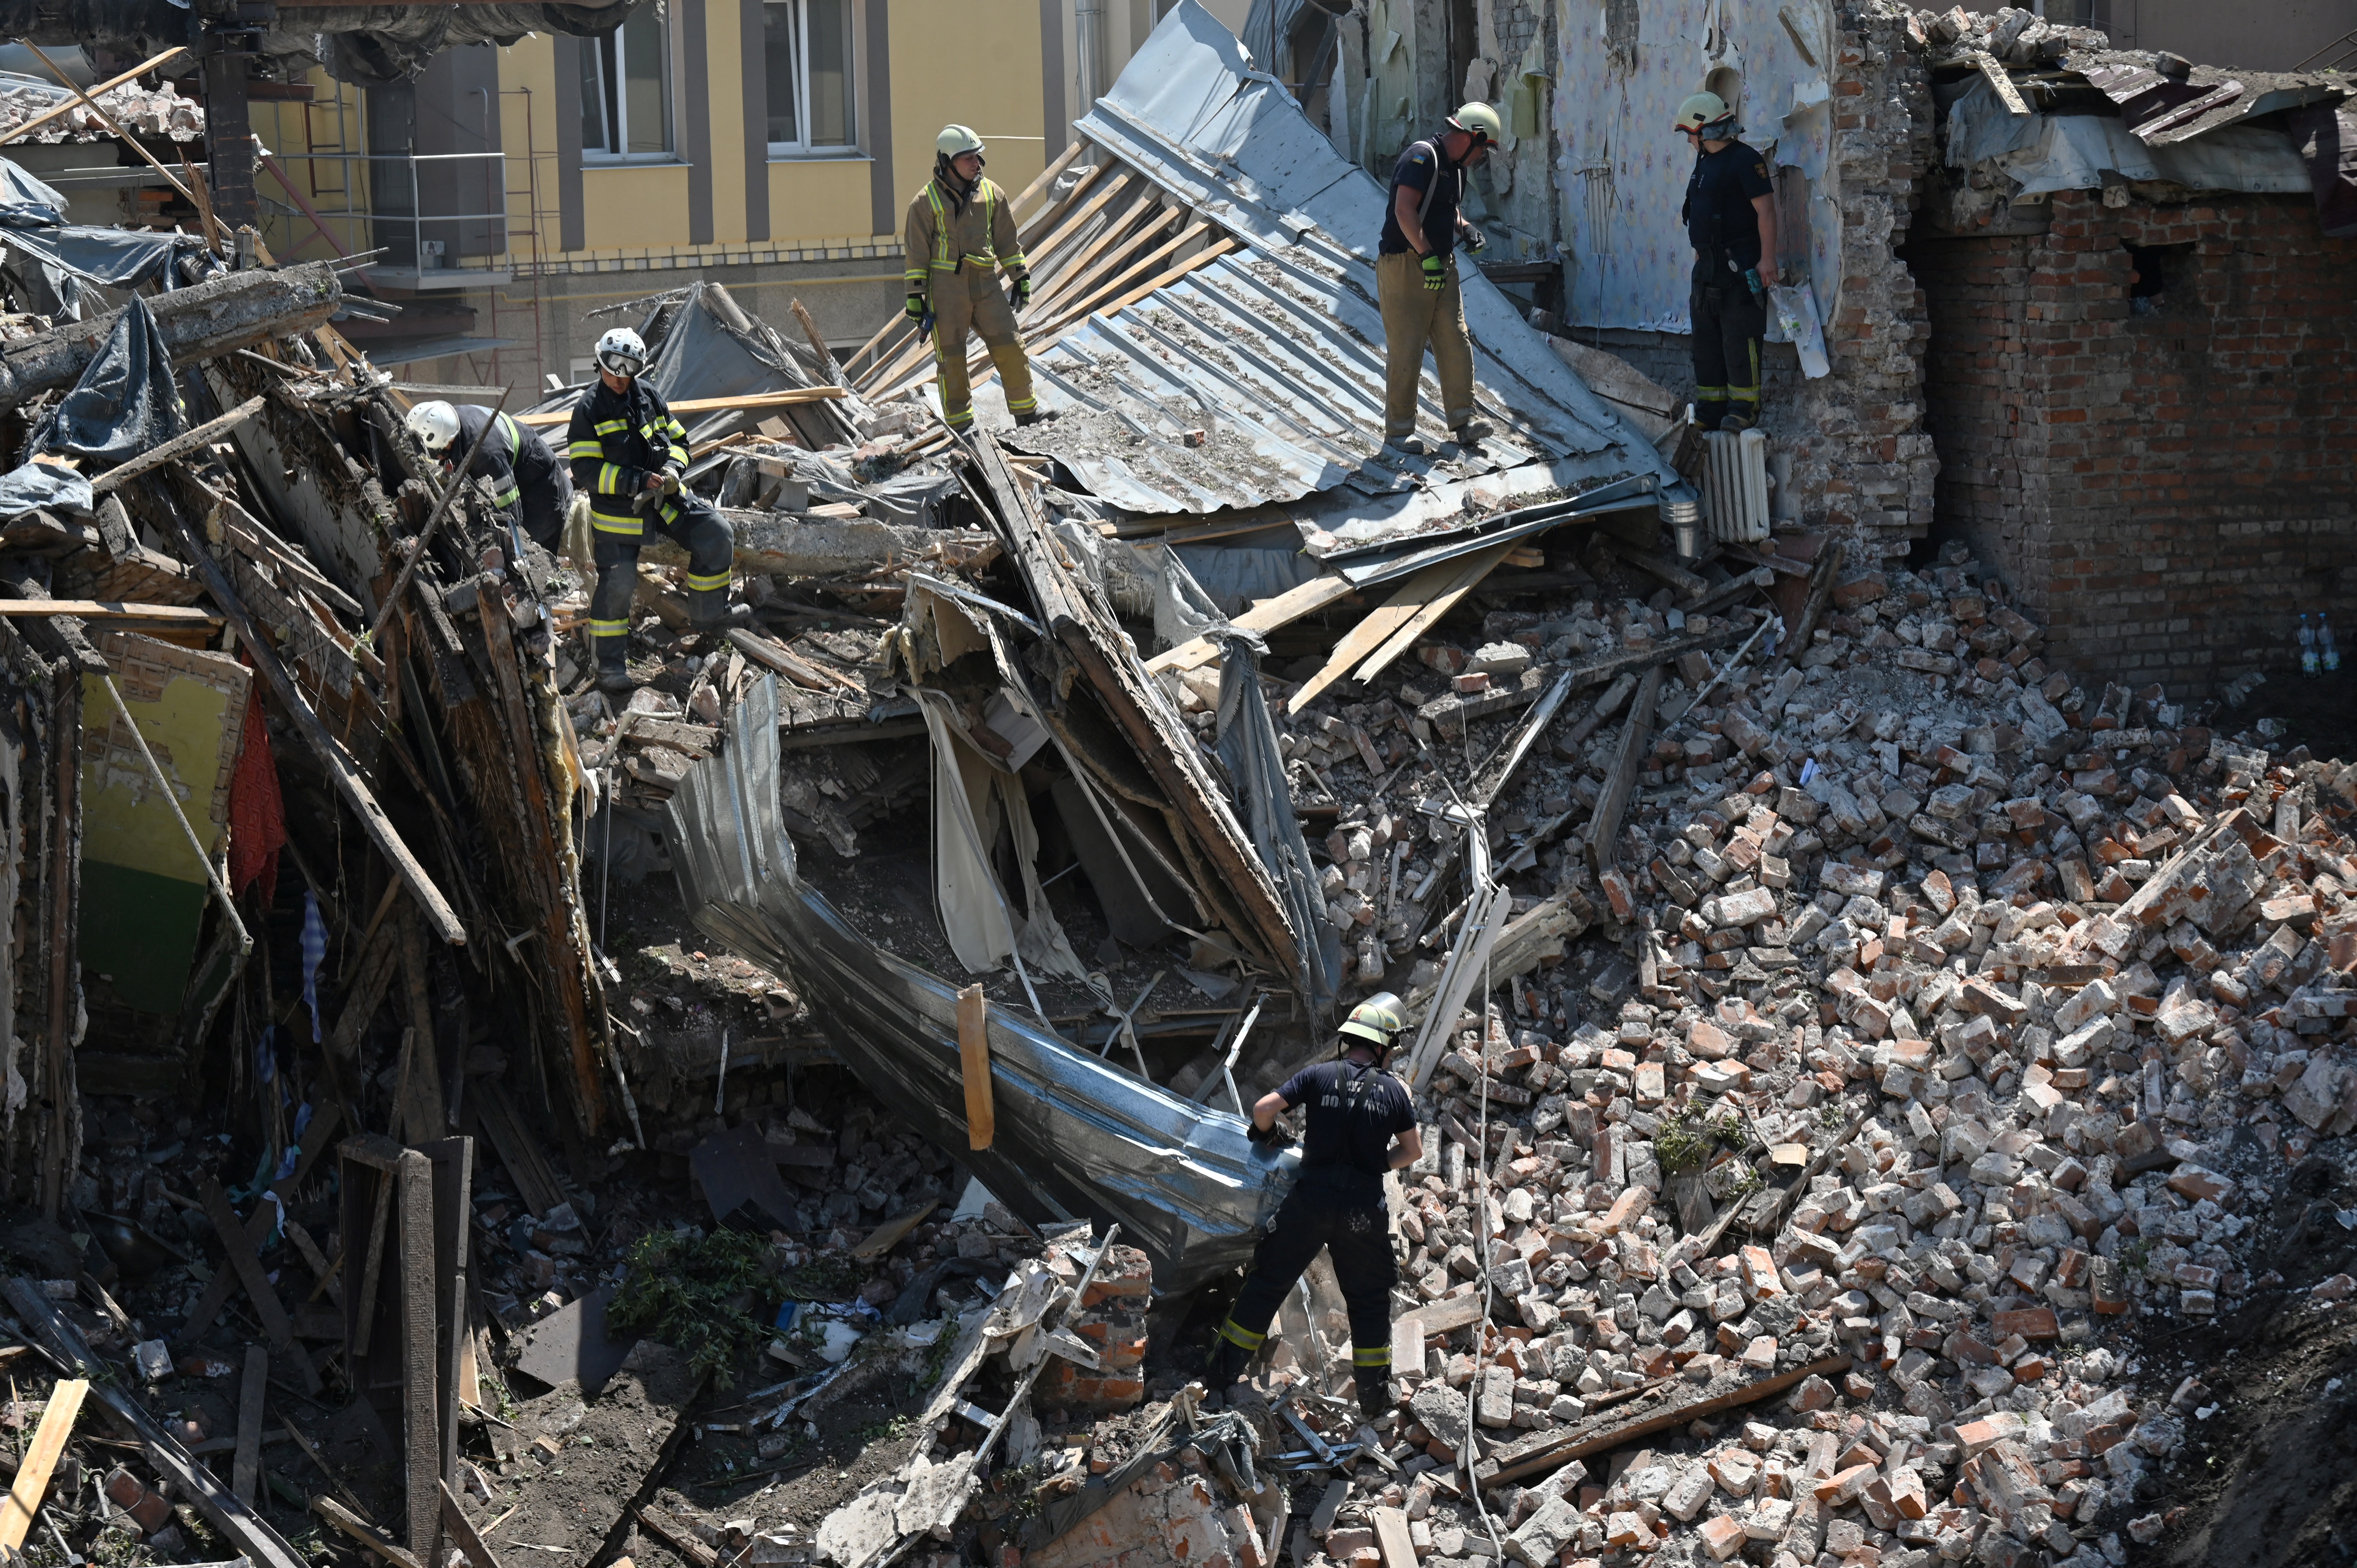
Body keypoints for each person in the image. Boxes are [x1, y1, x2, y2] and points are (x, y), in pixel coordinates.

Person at [1205, 993, 1423, 1417]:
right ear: (1381, 1046)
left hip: (1310, 1201)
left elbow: (1264, 1109)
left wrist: (1268, 1135)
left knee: (1267, 1283)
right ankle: (1375, 1401)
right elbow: (1412, 1151)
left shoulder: (1318, 1075)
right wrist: (1378, 1163)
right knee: (1368, 1300)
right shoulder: (1393, 1092)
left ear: (1350, 1041)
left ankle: (1220, 1377)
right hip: (1361, 1211)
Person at [565, 326, 749, 692]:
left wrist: (671, 470)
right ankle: (609, 669)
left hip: (666, 500)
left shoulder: (649, 396)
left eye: (628, 370)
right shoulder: (588, 409)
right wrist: (633, 481)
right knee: (618, 584)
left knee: (717, 536)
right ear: (600, 364)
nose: (620, 378)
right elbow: (585, 470)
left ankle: (709, 615)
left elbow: (680, 441)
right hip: (620, 513)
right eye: (614, 369)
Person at [1376, 103, 1502, 456]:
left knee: (1455, 338)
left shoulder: (1457, 169)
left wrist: (1466, 230)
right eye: (1483, 149)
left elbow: (1447, 210)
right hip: (1405, 264)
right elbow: (1405, 210)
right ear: (1471, 137)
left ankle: (1464, 419)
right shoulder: (1422, 157)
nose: (1481, 157)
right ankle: (1399, 433)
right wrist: (1426, 254)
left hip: (1440, 263)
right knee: (1407, 346)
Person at [904, 125, 1039, 433]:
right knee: (951, 357)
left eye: (977, 157)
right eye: (967, 158)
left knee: (1010, 344)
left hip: (986, 283)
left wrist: (1020, 275)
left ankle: (1027, 416)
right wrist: (915, 295)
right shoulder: (924, 203)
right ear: (947, 161)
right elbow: (916, 253)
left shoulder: (992, 194)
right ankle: (961, 428)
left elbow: (1006, 240)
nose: (975, 164)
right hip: (946, 287)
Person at [1675, 91, 1780, 432]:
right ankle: (1710, 410)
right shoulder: (1703, 163)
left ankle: (1742, 410)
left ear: (1704, 131)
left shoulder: (1746, 161)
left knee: (1740, 339)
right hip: (1707, 270)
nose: (1689, 141)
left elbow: (1766, 211)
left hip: (1741, 266)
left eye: (1690, 134)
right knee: (1705, 344)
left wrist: (1767, 260)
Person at [404, 400, 573, 551]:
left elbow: (510, 512)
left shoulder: (486, 454)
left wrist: (512, 548)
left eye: (439, 454)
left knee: (533, 551)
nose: (439, 459)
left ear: (449, 440)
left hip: (544, 489)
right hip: (519, 470)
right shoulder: (447, 421)